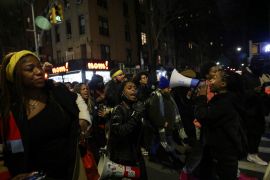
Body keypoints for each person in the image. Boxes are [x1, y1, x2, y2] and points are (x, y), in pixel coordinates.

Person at [0, 50, 89, 179]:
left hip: (72, 171)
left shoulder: (56, 92)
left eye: (39, 66)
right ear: (16, 76)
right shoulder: (9, 111)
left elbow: (77, 99)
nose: (39, 71)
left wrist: (83, 120)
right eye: (30, 69)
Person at [194, 70, 246, 180]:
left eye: (214, 78)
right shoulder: (226, 99)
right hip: (222, 153)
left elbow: (202, 115)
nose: (210, 81)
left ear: (223, 84)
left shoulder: (225, 102)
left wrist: (202, 97)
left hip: (223, 156)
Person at [107, 80, 147, 179]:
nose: (133, 90)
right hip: (122, 159)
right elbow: (120, 131)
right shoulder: (118, 109)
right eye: (129, 88)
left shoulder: (135, 108)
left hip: (135, 156)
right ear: (122, 92)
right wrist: (136, 116)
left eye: (135, 88)